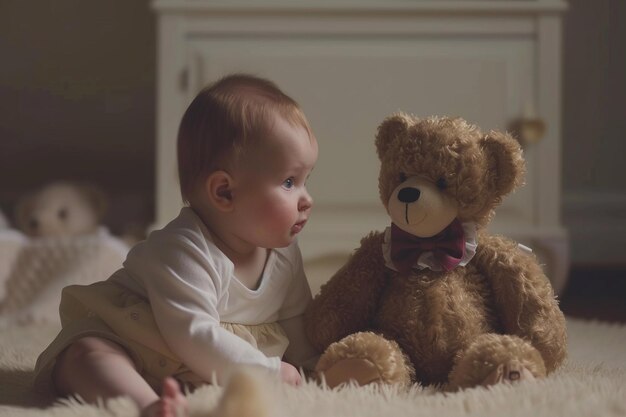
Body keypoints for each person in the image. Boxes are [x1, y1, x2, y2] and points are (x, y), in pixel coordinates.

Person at [34, 74, 320, 417]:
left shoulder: (285, 254)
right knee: (86, 355)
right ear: (224, 192)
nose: (307, 199)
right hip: (137, 337)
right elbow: (193, 335)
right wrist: (267, 372)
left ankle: (172, 389)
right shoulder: (183, 249)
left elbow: (296, 319)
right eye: (290, 182)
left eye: (306, 180)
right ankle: (148, 405)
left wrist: (312, 367)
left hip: (204, 363)